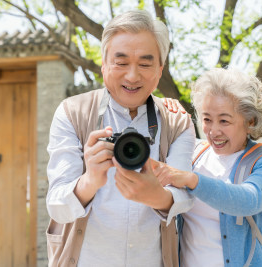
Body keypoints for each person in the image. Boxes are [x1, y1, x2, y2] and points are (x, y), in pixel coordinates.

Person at [46, 10, 195, 267]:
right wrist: (89, 181)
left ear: (160, 70)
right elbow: (56, 206)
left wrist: (157, 196)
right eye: (121, 62)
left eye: (146, 64)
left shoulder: (177, 121)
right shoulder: (72, 113)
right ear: (103, 65)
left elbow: (185, 196)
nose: (132, 76)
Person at [154, 67, 262, 266]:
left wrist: (192, 180)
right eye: (207, 119)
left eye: (224, 121)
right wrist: (163, 107)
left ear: (250, 121)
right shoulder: (192, 154)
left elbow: (248, 200)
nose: (213, 131)